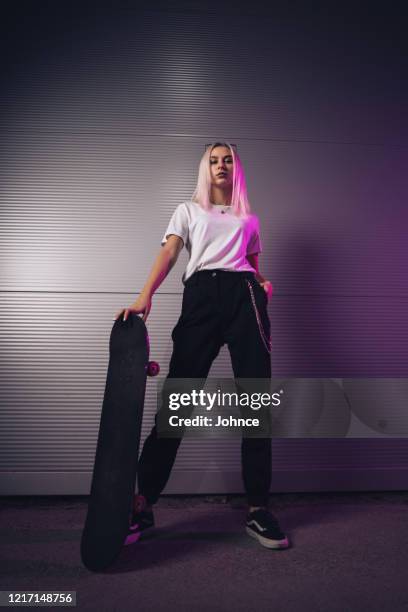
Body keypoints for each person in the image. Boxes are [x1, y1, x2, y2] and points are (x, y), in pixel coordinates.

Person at [114, 142, 289, 549]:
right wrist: (145, 295)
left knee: (256, 406)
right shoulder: (188, 210)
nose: (220, 165)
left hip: (245, 297)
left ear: (236, 168)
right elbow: (170, 253)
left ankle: (258, 510)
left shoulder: (250, 217)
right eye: (213, 160)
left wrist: (262, 287)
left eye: (227, 159)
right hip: (201, 298)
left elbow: (253, 267)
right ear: (205, 169)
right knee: (178, 402)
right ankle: (142, 503)